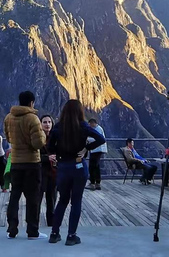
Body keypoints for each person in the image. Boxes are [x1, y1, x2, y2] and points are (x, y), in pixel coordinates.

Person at [47, 99, 105, 246]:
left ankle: (54, 234)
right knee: (76, 201)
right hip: (78, 166)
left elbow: (49, 147)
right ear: (80, 111)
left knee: (62, 200)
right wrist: (87, 148)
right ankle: (71, 236)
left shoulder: (59, 127)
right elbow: (101, 139)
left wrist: (58, 153)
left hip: (63, 167)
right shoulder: (83, 126)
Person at [4, 90, 46, 240]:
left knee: (14, 196)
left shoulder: (9, 117)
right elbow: (38, 143)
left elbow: (8, 137)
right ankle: (32, 231)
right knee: (32, 198)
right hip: (31, 163)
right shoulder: (33, 119)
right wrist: (43, 135)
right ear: (31, 103)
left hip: (15, 162)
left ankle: (12, 229)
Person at [40, 114, 57, 226]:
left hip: (53, 171)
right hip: (40, 171)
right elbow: (33, 155)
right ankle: (34, 224)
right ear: (40, 124)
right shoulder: (37, 138)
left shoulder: (56, 138)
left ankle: (51, 223)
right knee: (38, 198)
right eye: (45, 122)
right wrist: (47, 158)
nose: (47, 124)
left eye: (49, 122)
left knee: (51, 198)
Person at [87, 118, 107, 191]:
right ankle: (97, 182)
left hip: (96, 149)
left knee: (92, 166)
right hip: (98, 149)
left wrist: (87, 140)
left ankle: (92, 183)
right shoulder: (99, 128)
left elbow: (96, 139)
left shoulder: (97, 129)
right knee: (96, 166)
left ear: (93, 123)